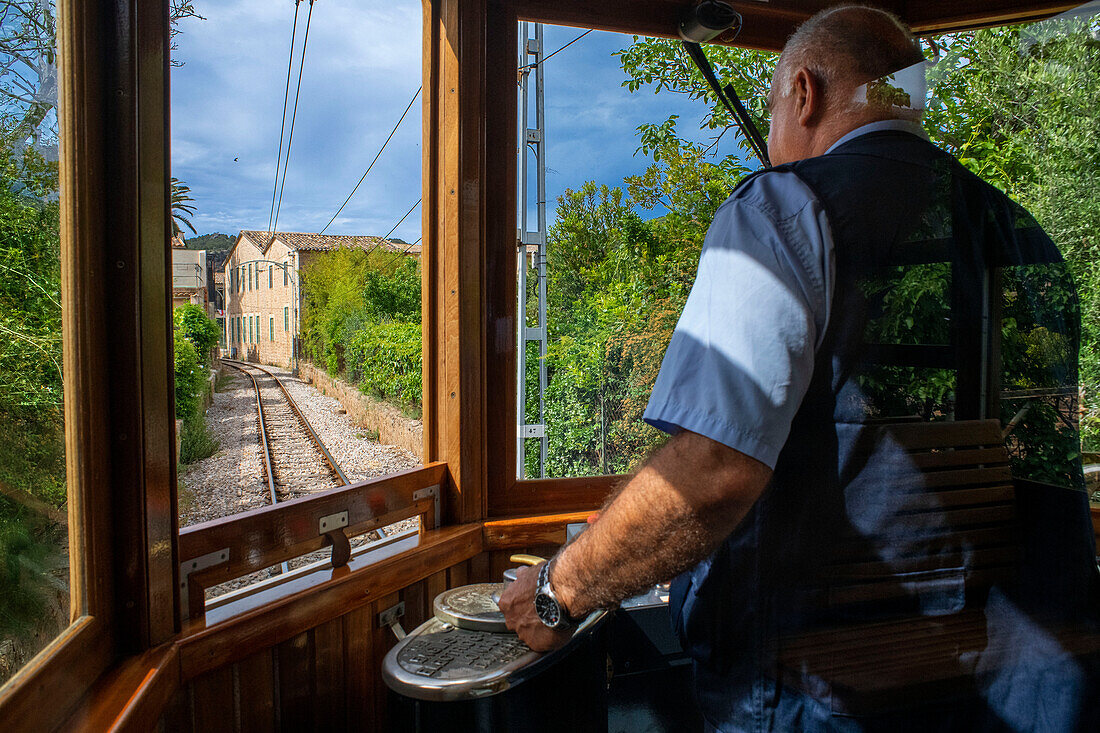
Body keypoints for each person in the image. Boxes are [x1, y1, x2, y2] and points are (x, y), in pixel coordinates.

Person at [499, 5, 1099, 731]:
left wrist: (557, 588)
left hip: (816, 696)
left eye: (774, 109)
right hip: (1008, 692)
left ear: (804, 94)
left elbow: (716, 466)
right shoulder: (1027, 239)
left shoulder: (784, 209)